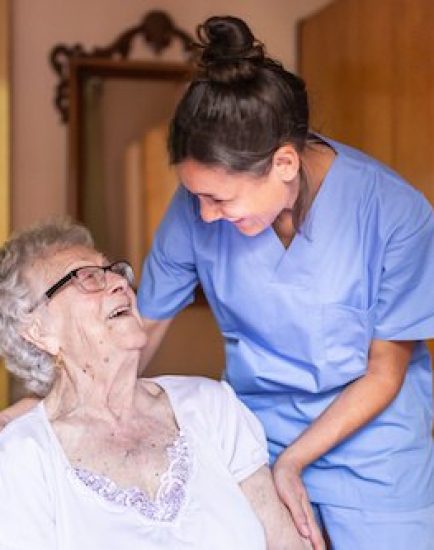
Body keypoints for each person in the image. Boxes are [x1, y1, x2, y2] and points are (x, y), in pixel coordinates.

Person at [135, 15, 434, 550]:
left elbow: (385, 372)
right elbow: (145, 324)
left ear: (285, 163)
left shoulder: (395, 213)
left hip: (375, 453)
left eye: (220, 199)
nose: (203, 216)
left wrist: (295, 461)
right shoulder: (193, 210)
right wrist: (62, 408)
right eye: (196, 195)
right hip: (257, 440)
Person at [0, 220, 314, 550]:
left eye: (112, 270)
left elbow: (285, 542)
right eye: (87, 277)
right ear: (38, 331)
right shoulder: (22, 457)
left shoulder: (209, 405)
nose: (120, 281)